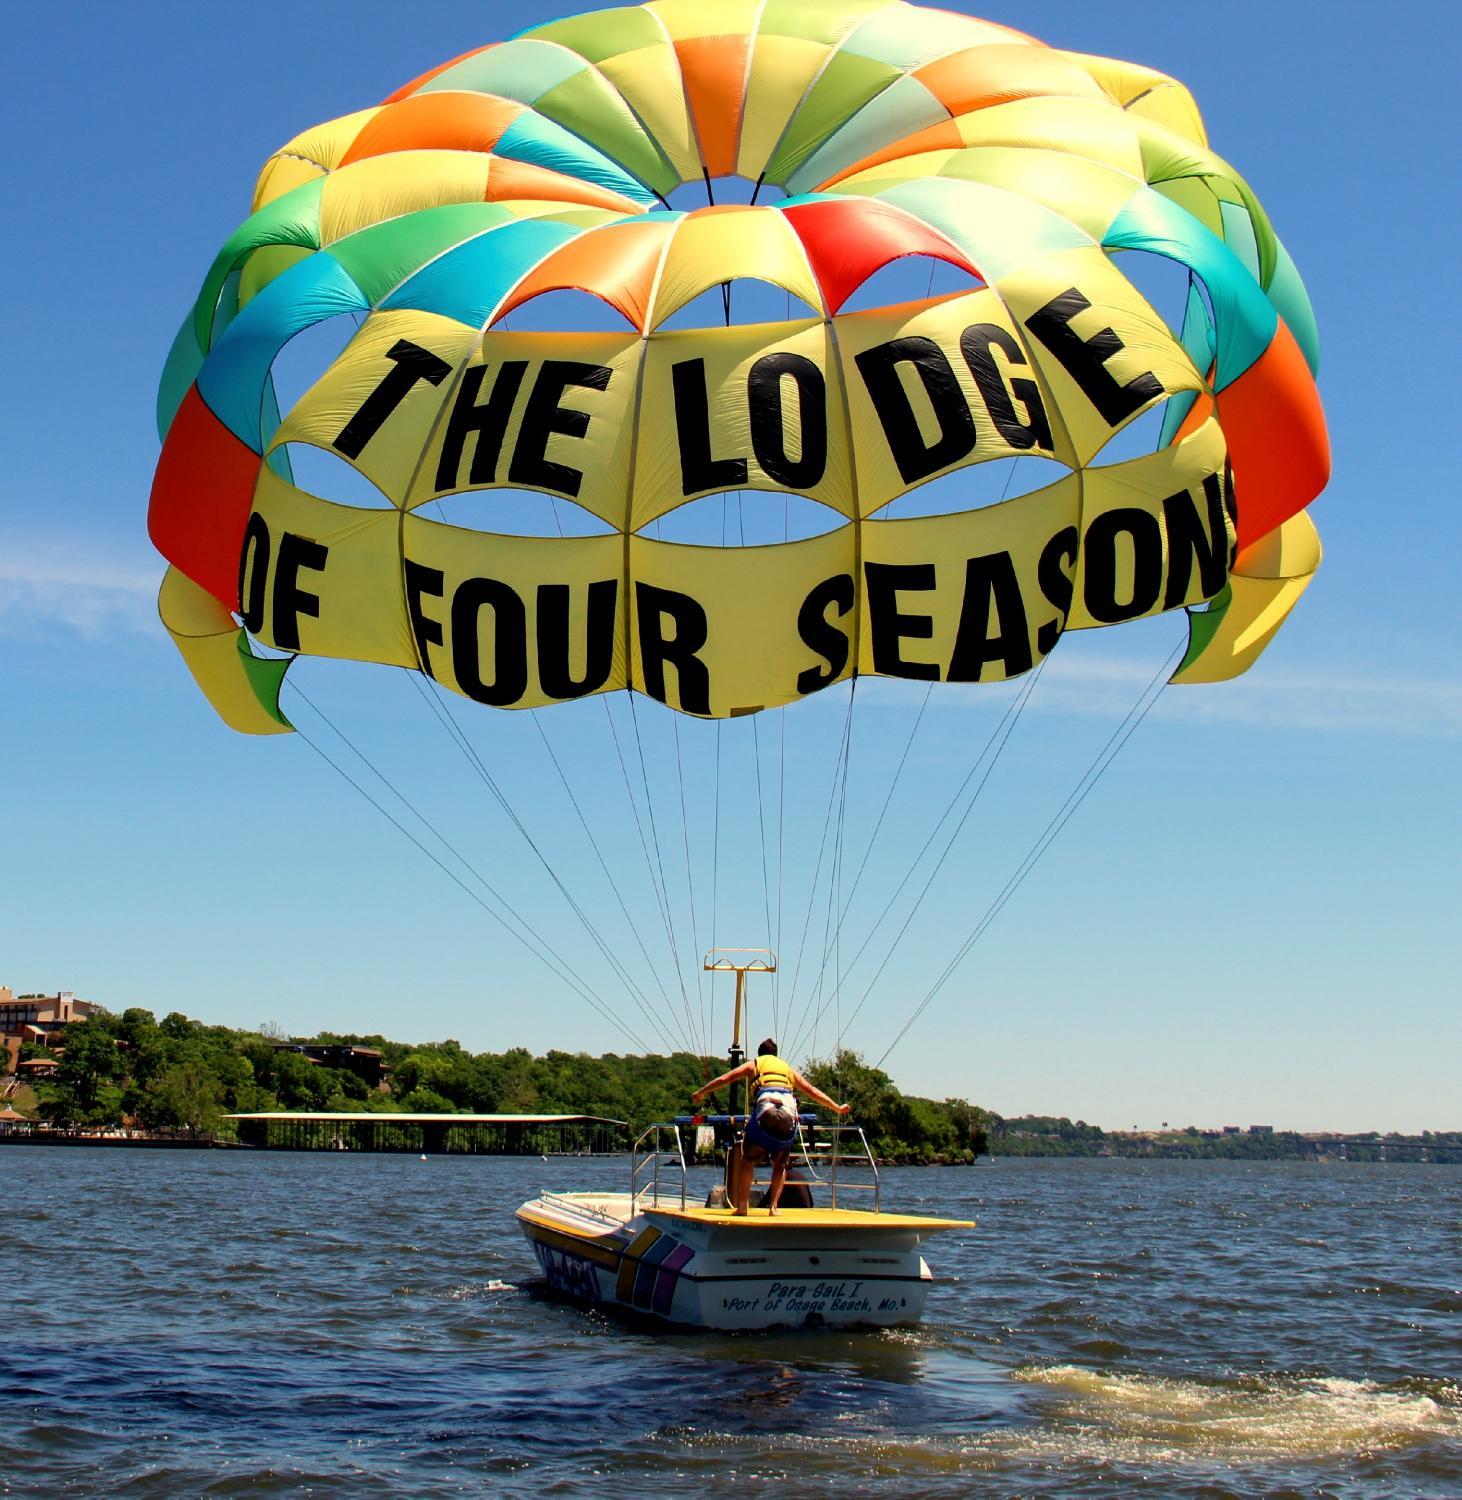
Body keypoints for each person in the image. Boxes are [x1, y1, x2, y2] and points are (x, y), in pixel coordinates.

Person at [691, 1039, 850, 1215]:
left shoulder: (755, 1064)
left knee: (748, 1161)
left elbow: (725, 1078)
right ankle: (773, 1208)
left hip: (765, 1107)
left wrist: (701, 1092)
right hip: (788, 1110)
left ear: (760, 1054)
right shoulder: (787, 1069)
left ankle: (743, 1207)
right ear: (775, 1055)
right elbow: (812, 1091)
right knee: (779, 1165)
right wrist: (837, 1107)